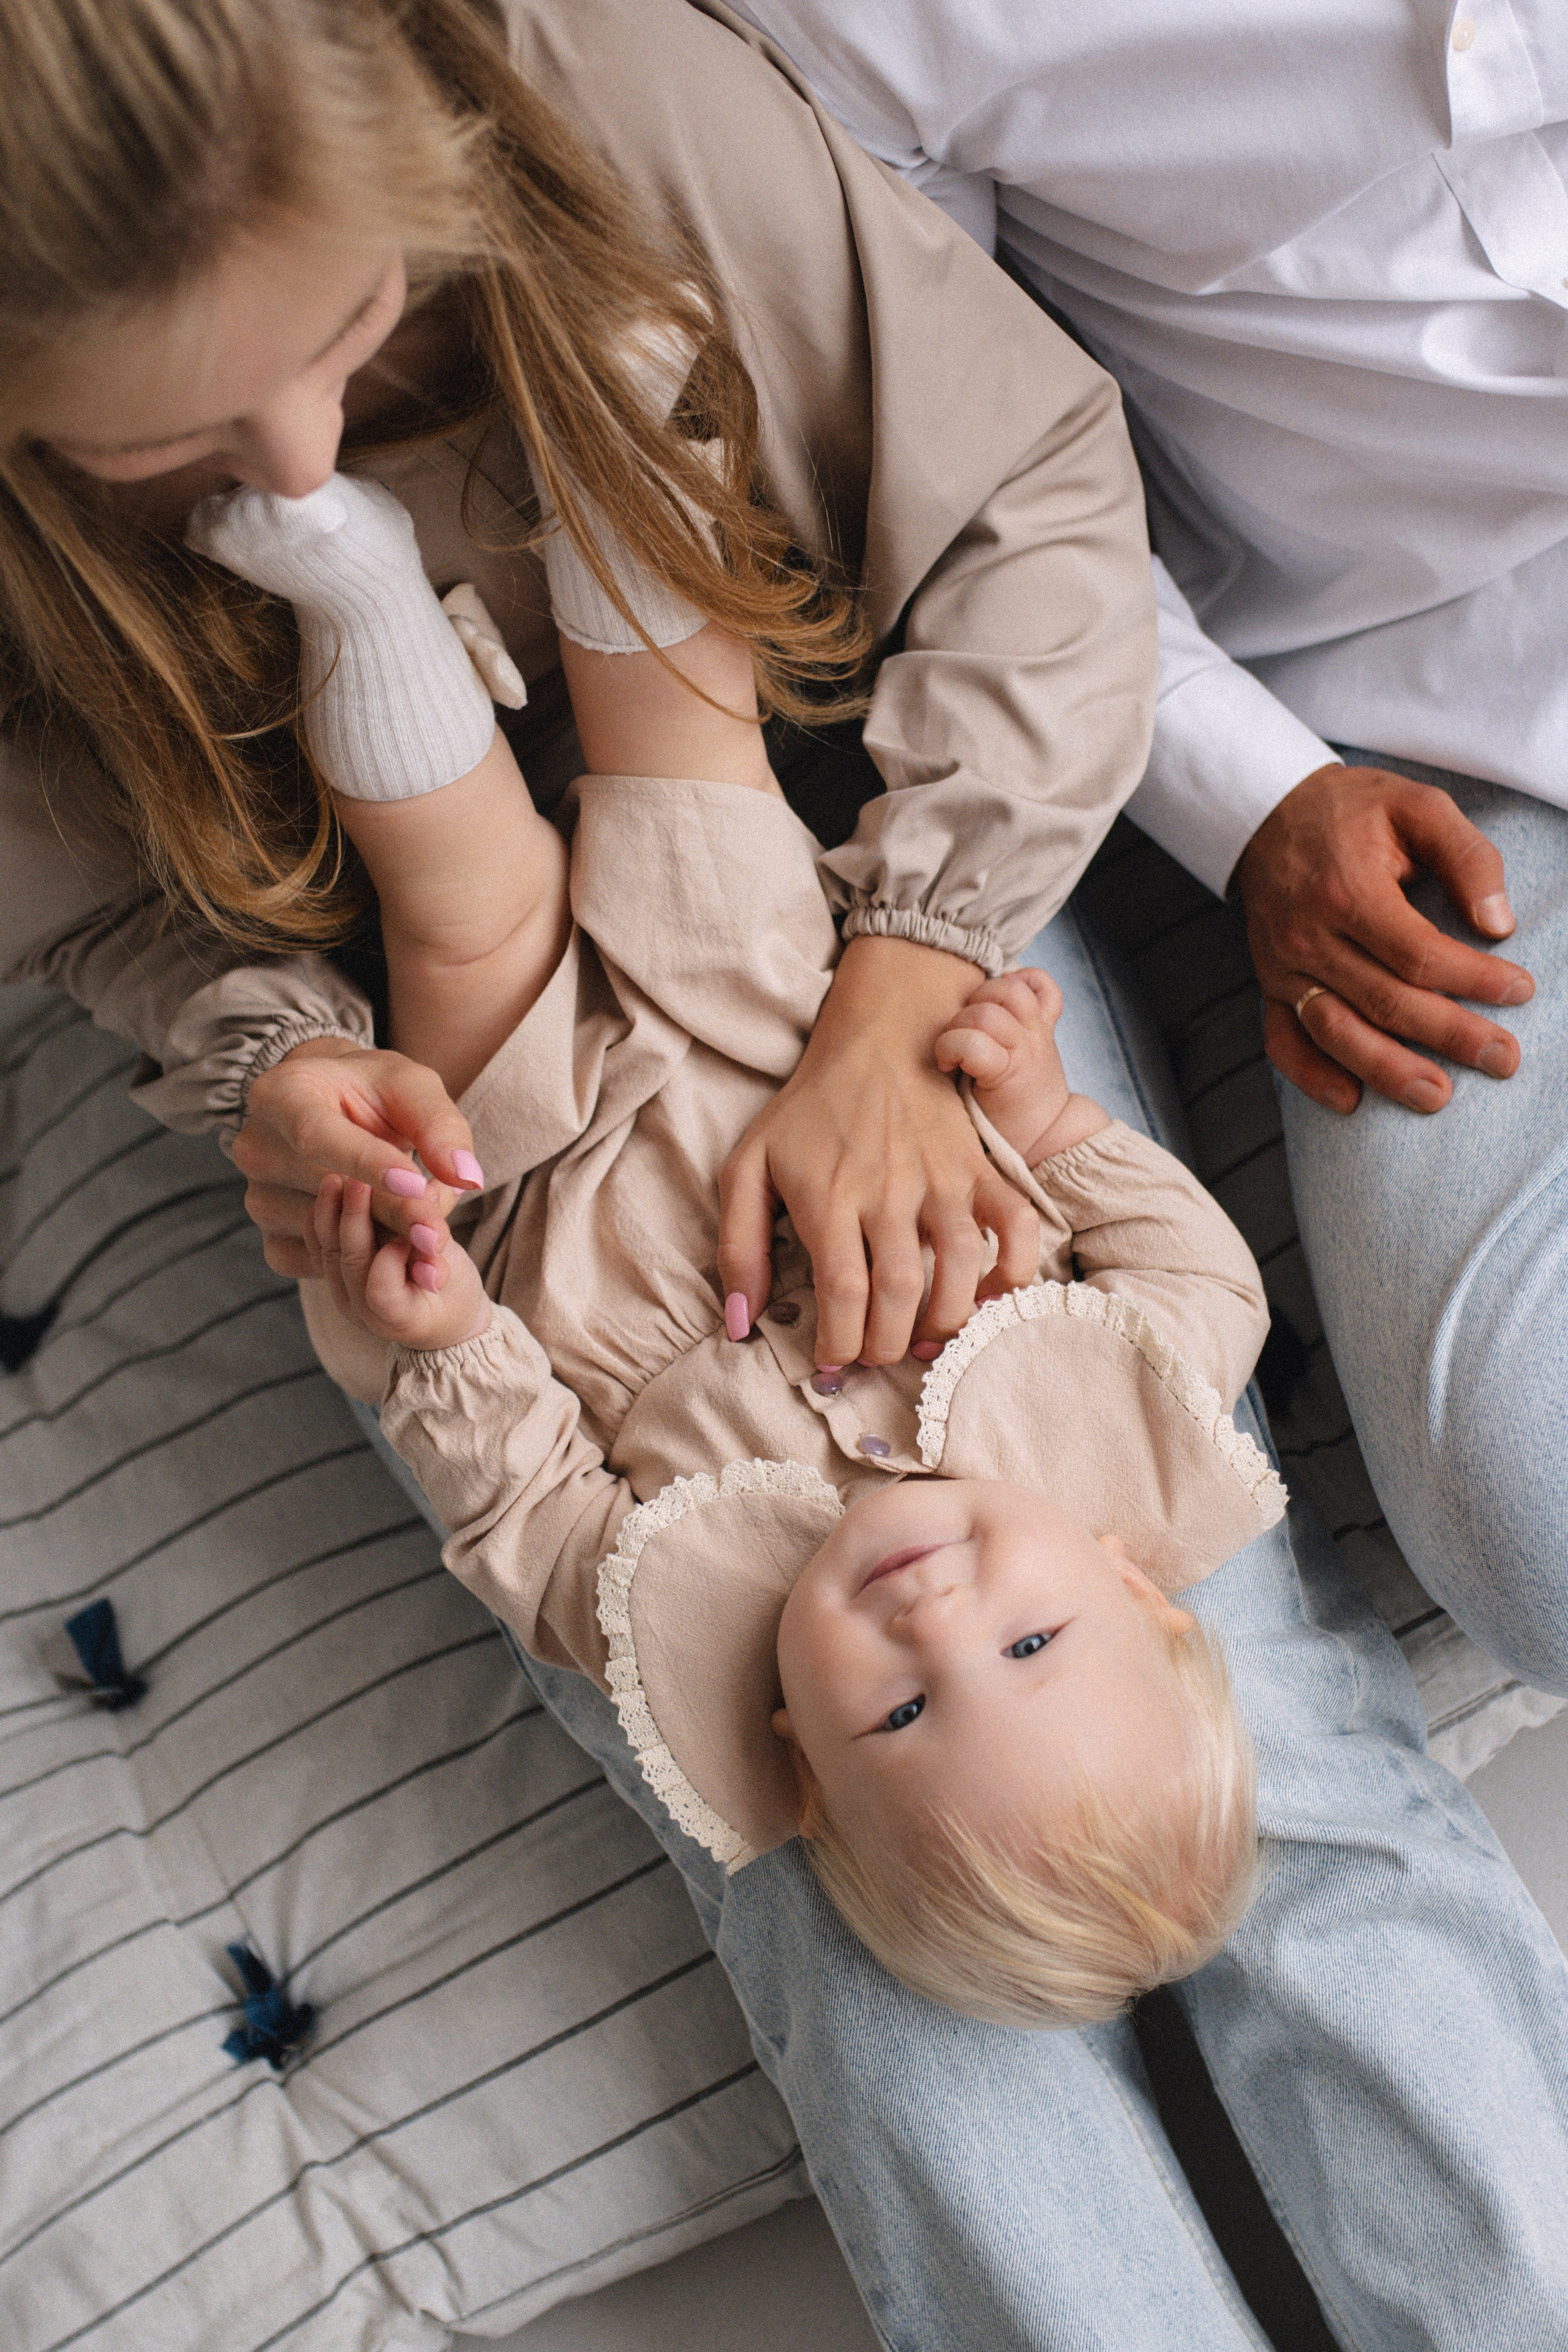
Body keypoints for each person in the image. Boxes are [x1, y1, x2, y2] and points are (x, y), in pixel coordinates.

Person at [2, 3, 1566, 2345]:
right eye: (165, 452)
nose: (305, 456)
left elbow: (1037, 513)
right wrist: (282, 1089)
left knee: (1257, 1732)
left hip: (827, 825)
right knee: (835, 1891)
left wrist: (920, 1011)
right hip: (458, 1035)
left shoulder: (585, 82)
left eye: (351, 334)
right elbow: (135, 922)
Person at [216, 464, 1269, 2026]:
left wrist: (448, 1337)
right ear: (1137, 1584)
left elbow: (514, 1495)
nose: (937, 1620)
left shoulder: (650, 1625)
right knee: (685, 765)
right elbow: (1191, 1264)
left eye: (904, 1712)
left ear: (796, 1757)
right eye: (1033, 1636)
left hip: (533, 1154)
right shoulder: (1143, 1408)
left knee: (462, 910)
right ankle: (605, 457)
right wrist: (1043, 1118)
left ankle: (350, 582)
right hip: (783, 1028)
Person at [727, 0, 1568, 1694]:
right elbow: (955, 473)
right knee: (1535, 1509)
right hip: (1408, 724)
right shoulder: (820, 29)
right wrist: (1248, 801)